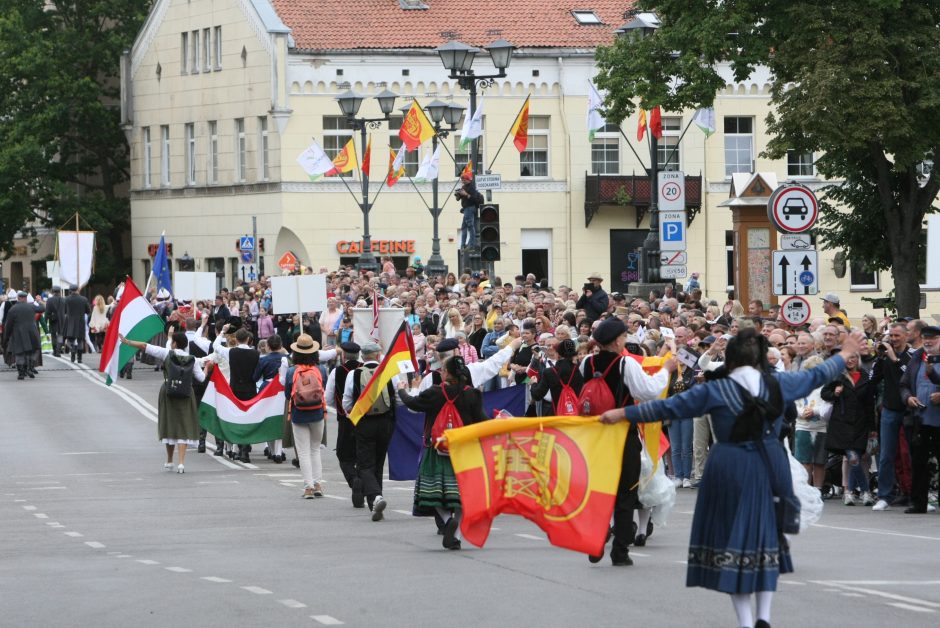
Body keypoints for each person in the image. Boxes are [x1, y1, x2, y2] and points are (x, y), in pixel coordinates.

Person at [600, 329, 862, 628]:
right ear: (763, 356)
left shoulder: (715, 389)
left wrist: (623, 413)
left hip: (729, 464)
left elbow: (668, 406)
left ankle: (747, 622)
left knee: (731, 540)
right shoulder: (779, 383)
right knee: (765, 539)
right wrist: (844, 353)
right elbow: (818, 375)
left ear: (730, 357)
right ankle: (763, 615)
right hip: (770, 461)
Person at [581, 317, 676, 567]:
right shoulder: (625, 364)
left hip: (596, 436)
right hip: (622, 433)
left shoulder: (585, 363)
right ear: (616, 340)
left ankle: (596, 539)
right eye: (624, 336)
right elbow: (648, 391)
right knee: (625, 492)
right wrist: (665, 370)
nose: (626, 339)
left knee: (600, 490)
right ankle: (620, 550)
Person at [397, 355, 487, 550]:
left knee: (431, 491)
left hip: (437, 447)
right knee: (462, 496)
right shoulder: (472, 394)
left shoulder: (436, 392)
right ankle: (456, 537)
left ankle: (447, 522)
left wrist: (402, 390)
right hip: (464, 450)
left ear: (446, 373)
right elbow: (482, 422)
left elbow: (412, 403)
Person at [119, 331, 208, 473]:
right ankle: (181, 463)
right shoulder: (193, 359)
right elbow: (202, 379)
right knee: (184, 425)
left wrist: (127, 341)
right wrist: (208, 368)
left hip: (169, 392)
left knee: (169, 424)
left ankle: (169, 460)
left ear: (174, 343)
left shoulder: (166, 353)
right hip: (186, 393)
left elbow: (144, 346)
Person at [342, 342, 400, 521]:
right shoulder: (388, 372)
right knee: (379, 462)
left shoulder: (354, 374)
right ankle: (375, 501)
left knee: (365, 464)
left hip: (364, 422)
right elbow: (397, 398)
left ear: (362, 356)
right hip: (385, 423)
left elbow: (347, 402)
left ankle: (375, 497)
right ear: (378, 355)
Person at [868, 322, 915, 510]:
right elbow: (872, 380)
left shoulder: (913, 356)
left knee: (910, 454)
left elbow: (909, 376)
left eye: (897, 336)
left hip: (910, 410)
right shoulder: (884, 356)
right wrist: (878, 358)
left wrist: (895, 359)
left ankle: (915, 494)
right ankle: (884, 495)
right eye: (891, 336)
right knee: (886, 454)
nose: (893, 339)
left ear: (906, 336)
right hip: (889, 409)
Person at [821, 352, 875, 506]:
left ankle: (850, 492)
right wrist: (835, 393)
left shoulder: (866, 377)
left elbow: (870, 404)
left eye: (853, 358)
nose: (850, 361)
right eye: (848, 358)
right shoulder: (838, 376)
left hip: (860, 423)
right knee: (853, 458)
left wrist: (872, 427)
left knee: (855, 459)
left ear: (858, 360)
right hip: (842, 424)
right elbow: (824, 393)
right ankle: (865, 491)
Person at [898, 324, 940, 514]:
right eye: (925, 338)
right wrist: (908, 398)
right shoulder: (917, 356)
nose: (929, 342)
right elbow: (904, 384)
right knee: (918, 462)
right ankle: (918, 502)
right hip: (920, 419)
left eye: (933, 338)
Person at [279, 334, 327, 498]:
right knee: (315, 449)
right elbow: (324, 388)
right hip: (317, 412)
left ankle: (308, 487)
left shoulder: (292, 371)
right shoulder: (320, 369)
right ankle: (318, 483)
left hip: (299, 413)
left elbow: (287, 395)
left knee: (303, 452)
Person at [324, 341, 363, 504]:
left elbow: (329, 398)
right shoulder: (367, 369)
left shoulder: (337, 372)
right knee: (363, 455)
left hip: (346, 419)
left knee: (344, 455)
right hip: (365, 419)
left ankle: (354, 479)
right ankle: (362, 483)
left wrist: (340, 408)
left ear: (344, 355)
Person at [2, 291, 44, 380]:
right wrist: (39, 301)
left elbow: (8, 324)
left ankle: (21, 373)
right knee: (33, 351)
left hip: (18, 334)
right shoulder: (31, 306)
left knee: (19, 353)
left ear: (18, 298)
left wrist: (7, 337)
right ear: (25, 298)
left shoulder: (13, 309)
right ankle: (30, 367)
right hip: (32, 333)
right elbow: (42, 308)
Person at [456, 170, 483, 250]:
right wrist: (458, 195)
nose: (462, 181)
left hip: (470, 208)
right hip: (466, 209)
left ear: (468, 179)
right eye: (462, 180)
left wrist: (466, 194)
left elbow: (474, 199)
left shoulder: (471, 187)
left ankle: (472, 244)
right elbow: (458, 199)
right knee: (463, 227)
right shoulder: (464, 187)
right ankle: (463, 245)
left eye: (464, 179)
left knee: (470, 226)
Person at [63, 285, 91, 363]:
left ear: (70, 290)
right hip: (80, 322)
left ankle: (72, 350)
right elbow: (88, 311)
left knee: (69, 340)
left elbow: (64, 311)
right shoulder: (84, 299)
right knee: (80, 341)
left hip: (70, 321)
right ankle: (79, 359)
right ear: (77, 290)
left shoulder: (67, 299)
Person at [45, 286, 67, 357]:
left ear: (52, 291)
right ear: (60, 291)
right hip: (62, 320)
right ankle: (58, 351)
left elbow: (47, 312)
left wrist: (45, 321)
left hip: (53, 319)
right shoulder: (64, 300)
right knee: (60, 335)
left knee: (53, 335)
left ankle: (55, 350)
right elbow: (66, 311)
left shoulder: (49, 300)